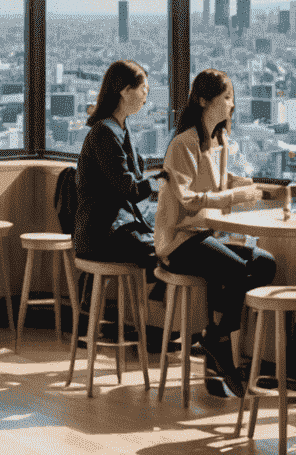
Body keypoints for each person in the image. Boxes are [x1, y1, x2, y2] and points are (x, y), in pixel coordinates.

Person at [156, 69, 277, 395]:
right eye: (227, 97)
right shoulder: (183, 144)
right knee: (237, 270)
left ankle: (216, 334)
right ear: (203, 99)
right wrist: (238, 194)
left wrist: (244, 184)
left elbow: (216, 184)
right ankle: (218, 340)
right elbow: (192, 201)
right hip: (180, 241)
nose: (232, 104)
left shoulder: (217, 141)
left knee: (265, 263)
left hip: (205, 237)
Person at [75, 60, 158, 269]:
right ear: (124, 90)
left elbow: (134, 178)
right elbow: (130, 189)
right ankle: (156, 301)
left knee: (170, 247)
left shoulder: (121, 127)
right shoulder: (105, 132)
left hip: (115, 227)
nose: (146, 98)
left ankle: (155, 300)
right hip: (103, 234)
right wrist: (158, 183)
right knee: (169, 251)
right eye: (143, 89)